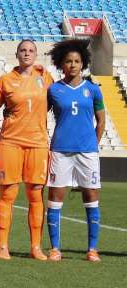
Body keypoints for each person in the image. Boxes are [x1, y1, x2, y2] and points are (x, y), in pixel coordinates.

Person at [0, 39, 54, 260]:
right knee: (8, 194)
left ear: (36, 55)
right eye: (23, 50)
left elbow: (58, 101)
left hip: (38, 144)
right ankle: (3, 246)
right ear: (16, 54)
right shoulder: (5, 80)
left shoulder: (45, 77)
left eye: (31, 51)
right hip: (10, 143)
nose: (27, 54)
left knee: (36, 195)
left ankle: (36, 247)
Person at [45, 39, 104, 262]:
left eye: (77, 61)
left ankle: (92, 249)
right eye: (68, 61)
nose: (72, 64)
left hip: (87, 152)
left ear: (83, 63)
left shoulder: (93, 90)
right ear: (61, 64)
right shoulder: (54, 90)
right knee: (55, 198)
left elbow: (101, 122)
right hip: (60, 150)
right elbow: (41, 116)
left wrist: (92, 145)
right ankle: (55, 248)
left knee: (91, 198)